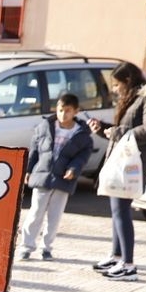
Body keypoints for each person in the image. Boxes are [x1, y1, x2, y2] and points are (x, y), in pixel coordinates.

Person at [88, 61, 146, 281]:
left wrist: (117, 131)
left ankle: (128, 265)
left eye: (117, 84)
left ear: (127, 81)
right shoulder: (135, 98)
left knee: (121, 211)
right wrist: (103, 129)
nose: (115, 89)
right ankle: (117, 255)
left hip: (134, 162)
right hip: (125, 159)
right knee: (117, 210)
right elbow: (127, 131)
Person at [18, 92, 94, 261]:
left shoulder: (82, 135)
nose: (63, 114)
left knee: (54, 216)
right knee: (35, 213)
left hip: (63, 180)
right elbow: (35, 150)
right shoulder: (45, 126)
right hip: (42, 176)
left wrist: (73, 169)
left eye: (67, 111)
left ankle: (46, 248)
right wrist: (28, 170)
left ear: (76, 111)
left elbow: (82, 157)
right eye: (60, 110)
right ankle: (26, 246)